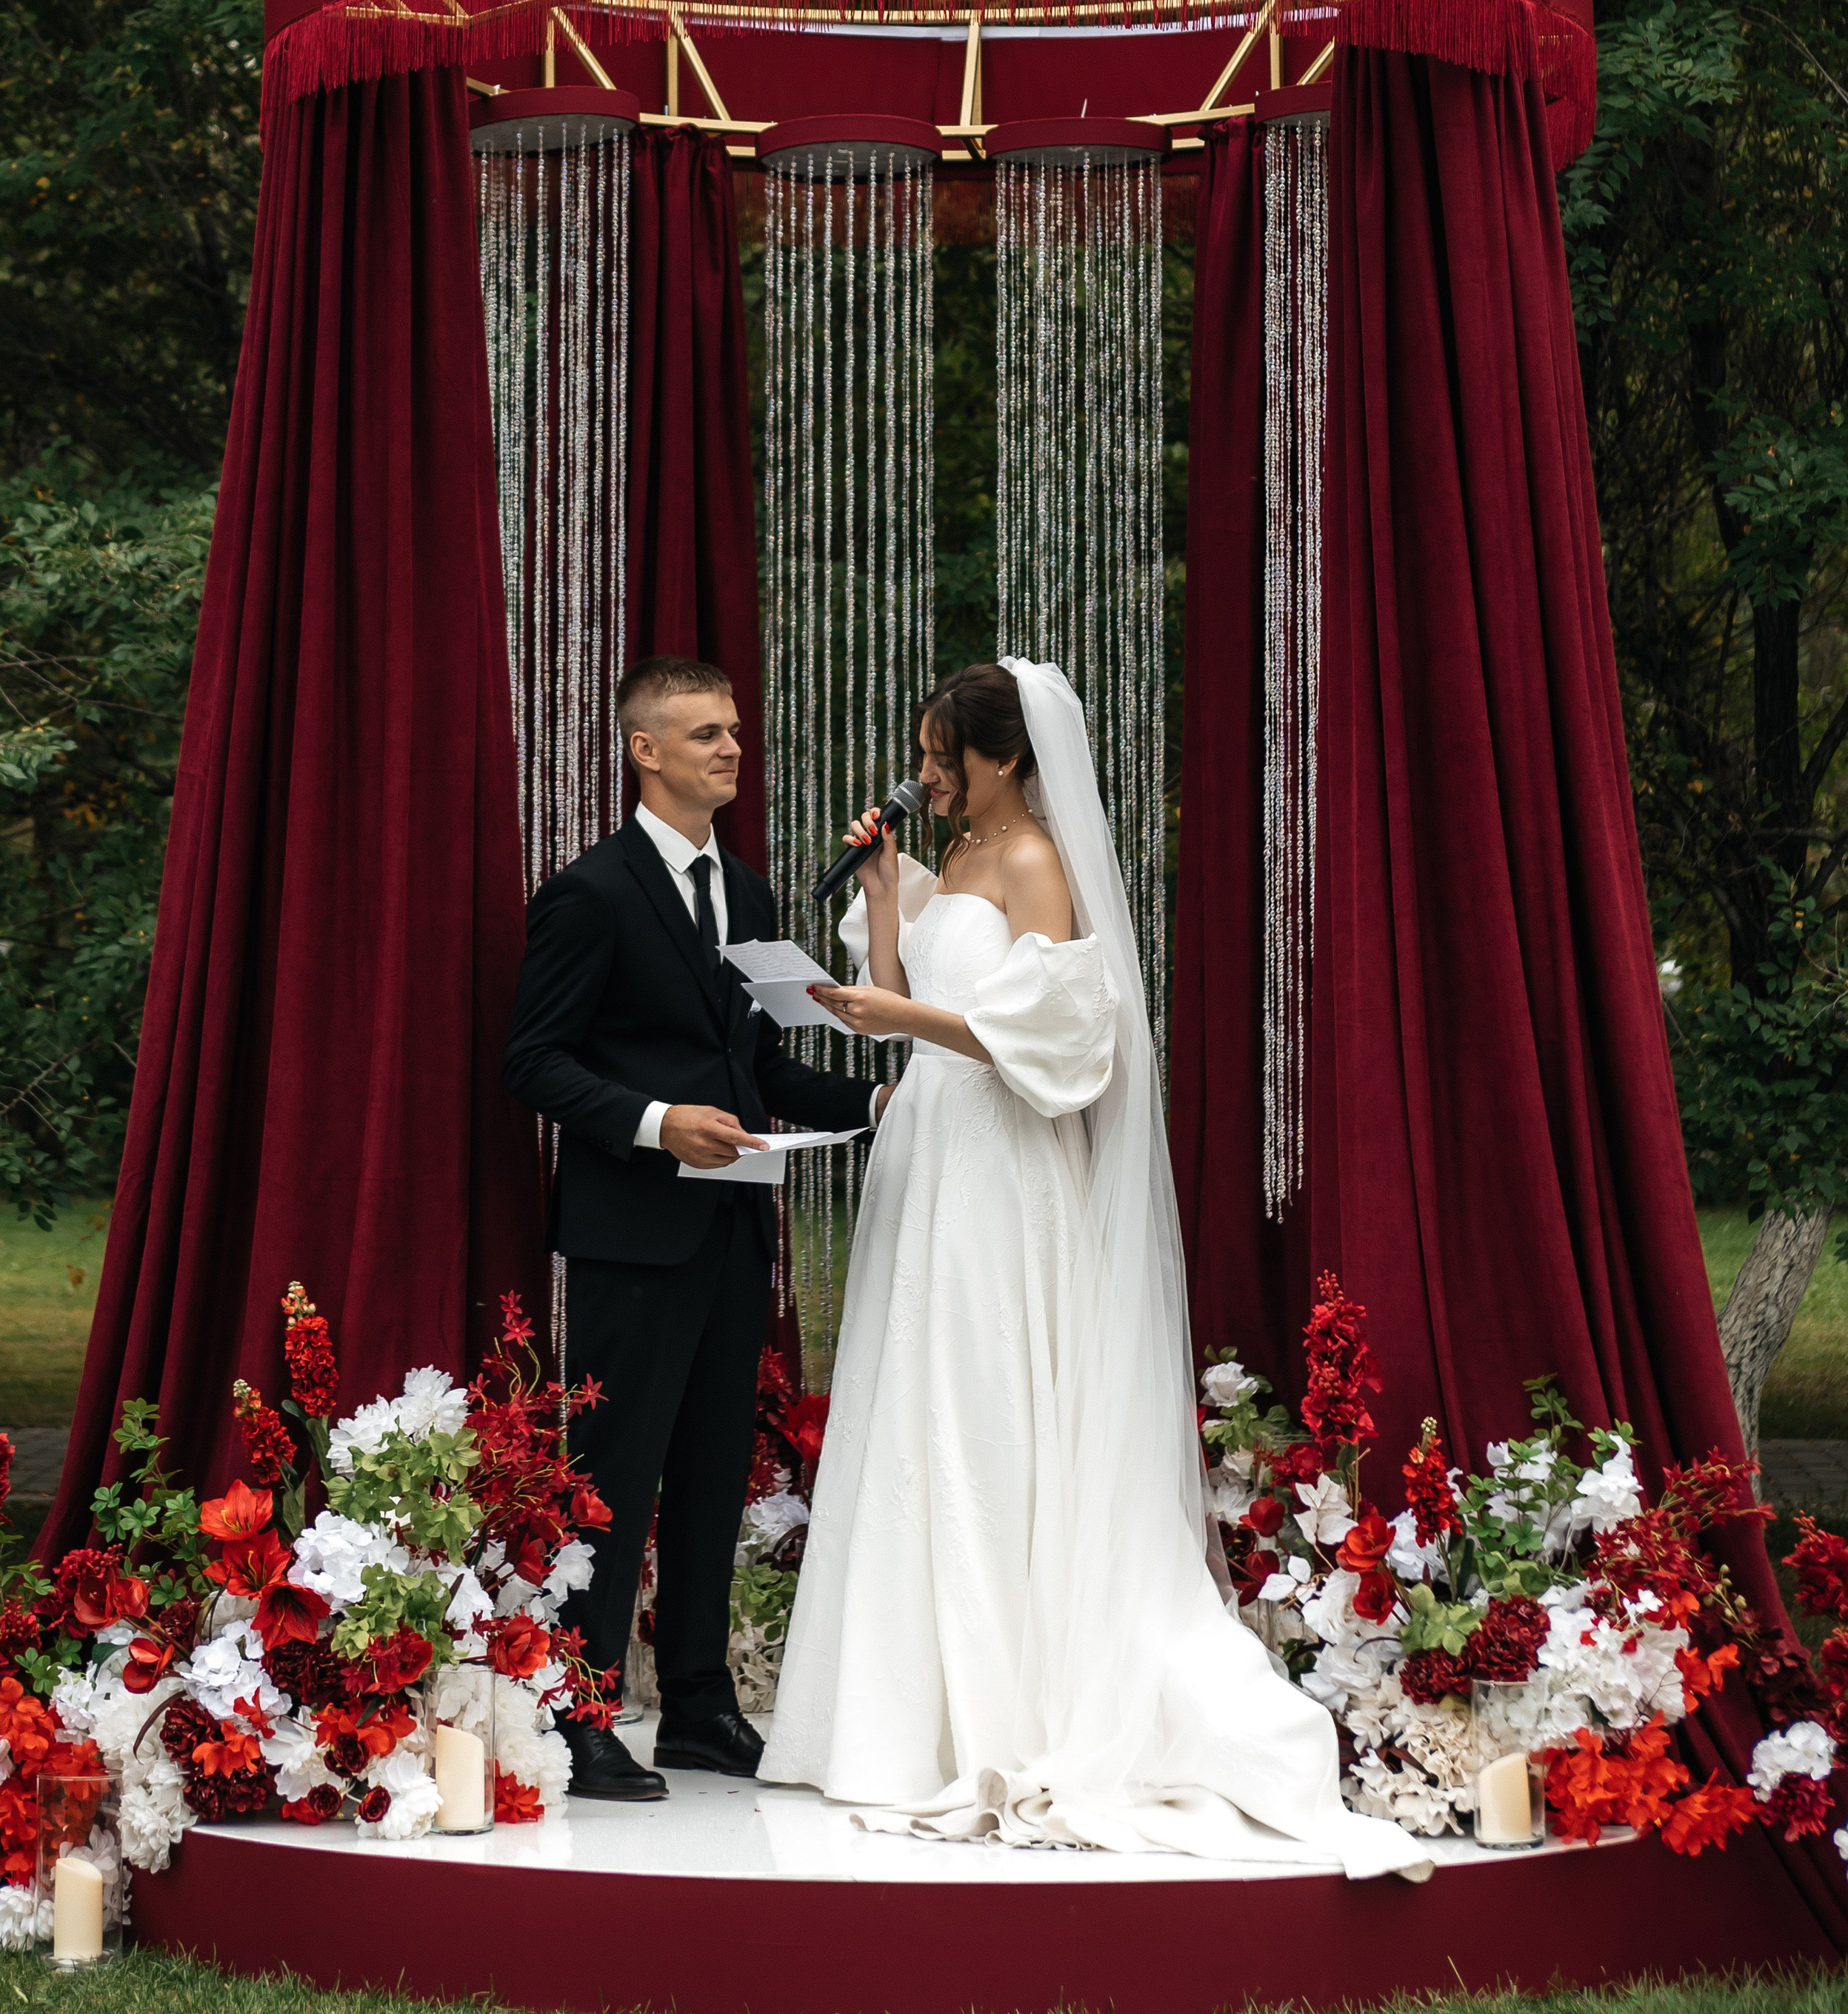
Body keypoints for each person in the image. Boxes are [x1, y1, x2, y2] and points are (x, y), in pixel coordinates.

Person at [758, 658, 1430, 1878]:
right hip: (927, 1154)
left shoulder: (1035, 864)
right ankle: (901, 1718)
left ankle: (1011, 1700)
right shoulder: (952, 861)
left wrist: (902, 1024)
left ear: (1002, 757)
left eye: (938, 758)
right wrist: (883, 904)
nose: (921, 781)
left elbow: (1061, 1039)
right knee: (912, 1408)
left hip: (1002, 1168)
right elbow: (906, 995)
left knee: (988, 1407)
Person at [501, 655, 889, 1802]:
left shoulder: (753, 894)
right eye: (704, 732)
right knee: (613, 1478)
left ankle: (703, 1708)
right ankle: (579, 1715)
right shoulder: (592, 893)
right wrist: (660, 1122)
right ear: (646, 750)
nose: (730, 747)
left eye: (733, 731)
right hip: (632, 1235)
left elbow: (759, 1062)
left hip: (732, 1233)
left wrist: (875, 1104)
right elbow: (533, 1062)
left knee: (718, 1469)